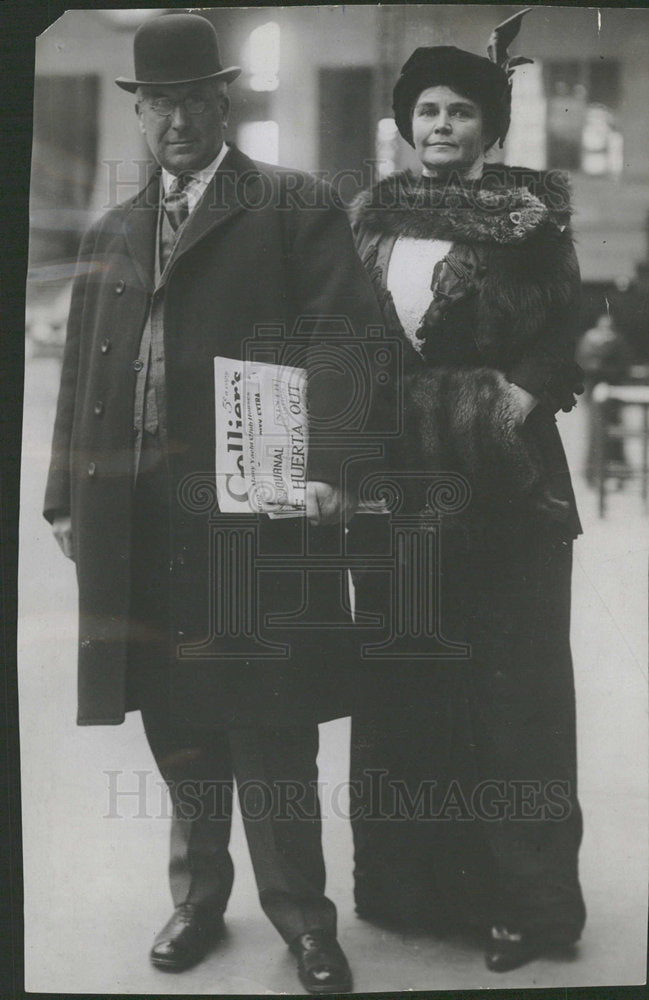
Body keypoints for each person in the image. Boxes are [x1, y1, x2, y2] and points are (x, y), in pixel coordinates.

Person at [44, 12, 386, 994]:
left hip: (257, 510)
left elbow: (345, 341)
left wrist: (331, 463)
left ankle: (304, 921)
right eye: (156, 104)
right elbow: (82, 375)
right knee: (178, 710)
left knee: (269, 716)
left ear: (220, 101)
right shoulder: (113, 227)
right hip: (139, 513)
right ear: (139, 113)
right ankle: (197, 897)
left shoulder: (289, 203)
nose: (175, 120)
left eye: (193, 100)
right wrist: (67, 493)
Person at [347, 39, 587, 973]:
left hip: (506, 492)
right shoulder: (369, 220)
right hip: (399, 489)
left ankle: (526, 907)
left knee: (514, 698)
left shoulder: (531, 222)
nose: (440, 127)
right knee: (412, 685)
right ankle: (418, 891)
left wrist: (513, 401)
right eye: (427, 112)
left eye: (460, 112)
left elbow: (569, 327)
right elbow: (346, 335)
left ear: (489, 128)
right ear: (406, 125)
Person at [576, 312, 631, 485]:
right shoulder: (587, 340)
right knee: (595, 432)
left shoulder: (618, 341)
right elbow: (580, 364)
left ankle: (618, 473)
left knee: (615, 431)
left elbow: (623, 366)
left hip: (612, 390)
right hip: (592, 391)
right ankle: (593, 474)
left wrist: (604, 370)